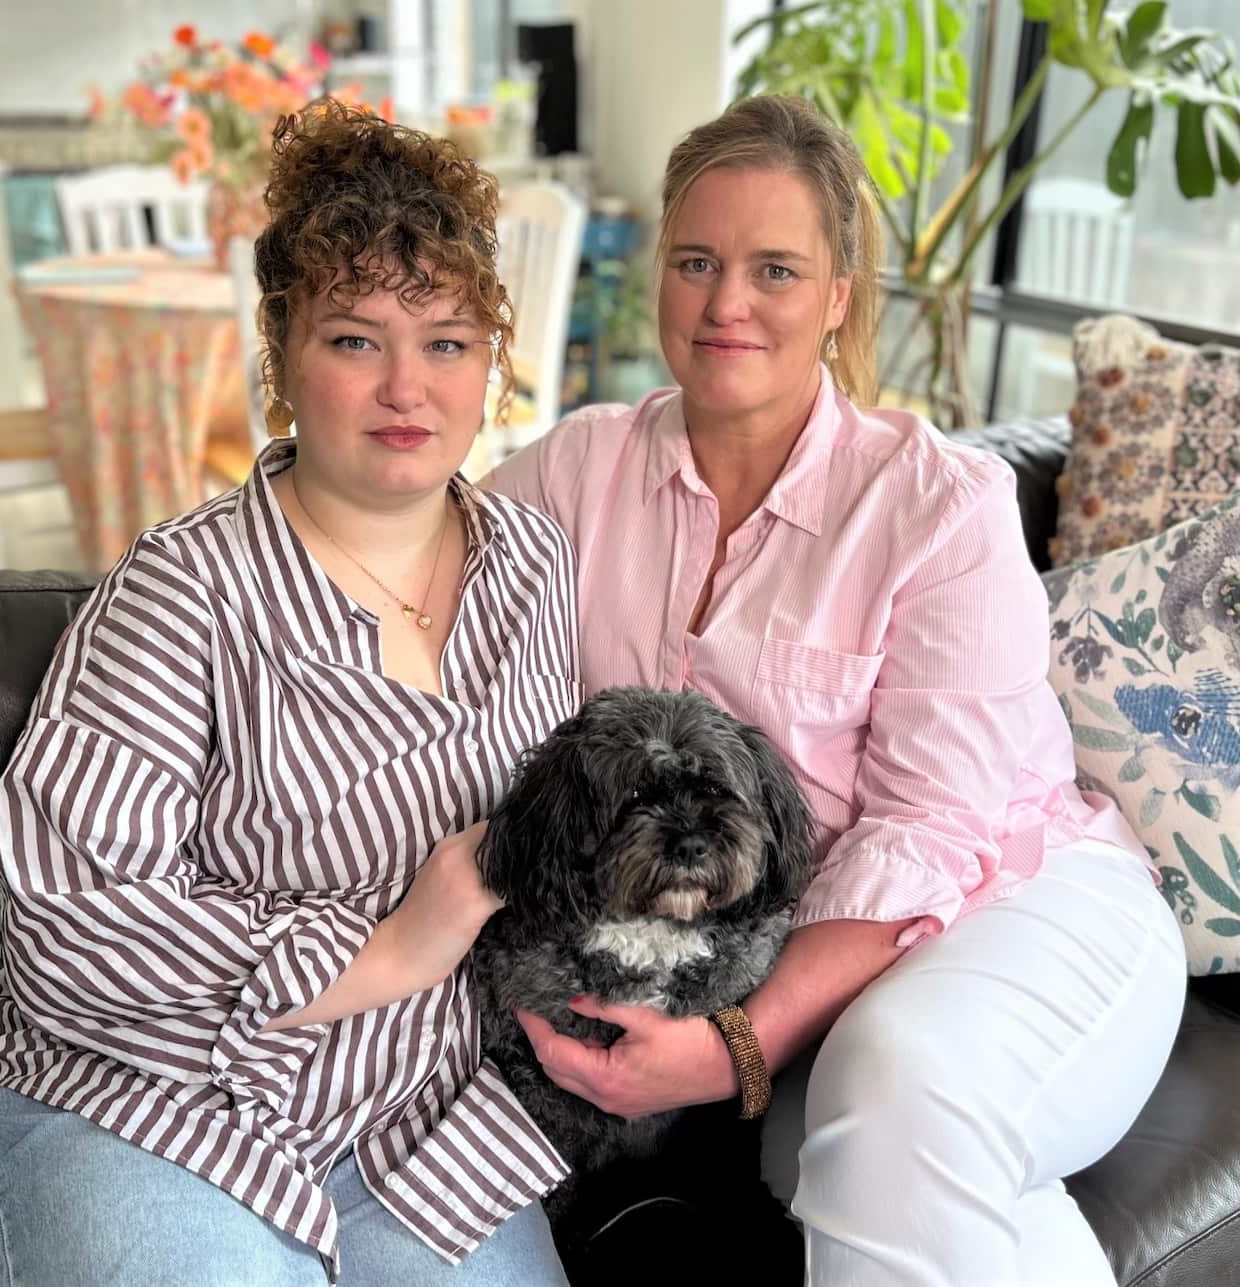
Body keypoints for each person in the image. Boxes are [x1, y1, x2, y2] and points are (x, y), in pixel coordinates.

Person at [490, 94, 1186, 1286]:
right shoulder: (572, 468)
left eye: (774, 268)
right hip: (782, 943)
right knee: (922, 1175)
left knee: (889, 1085)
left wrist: (735, 1053)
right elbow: (411, 587)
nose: (726, 304)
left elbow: (932, 827)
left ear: (835, 300)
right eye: (696, 262)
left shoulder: (937, 505)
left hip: (1023, 897)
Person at [0, 101, 578, 1287]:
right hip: (139, 1099)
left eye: (446, 341)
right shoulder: (180, 588)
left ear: (488, 363)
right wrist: (390, 952)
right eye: (356, 340)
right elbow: (61, 919)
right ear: (284, 355)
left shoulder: (534, 570)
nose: (407, 384)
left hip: (410, 1124)